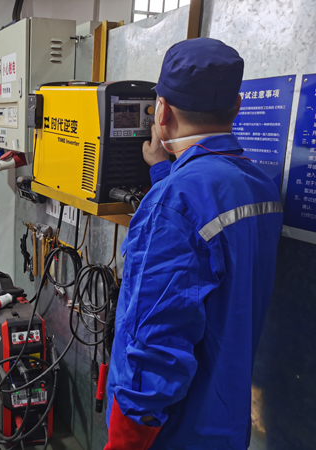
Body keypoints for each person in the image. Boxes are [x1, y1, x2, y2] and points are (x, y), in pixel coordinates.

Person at [104, 38, 283, 450]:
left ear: (162, 112)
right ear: (236, 107)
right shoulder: (261, 187)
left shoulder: (172, 204)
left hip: (171, 432)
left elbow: (156, 344)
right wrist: (162, 171)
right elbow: (206, 236)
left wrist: (125, 441)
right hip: (225, 423)